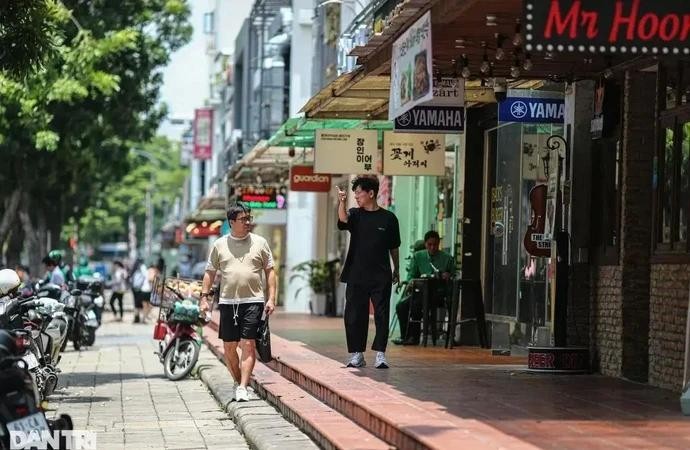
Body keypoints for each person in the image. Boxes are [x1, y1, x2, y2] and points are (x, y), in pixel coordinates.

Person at [200, 203, 276, 402]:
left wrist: (272, 298)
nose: (248, 222)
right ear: (231, 222)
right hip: (227, 302)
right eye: (243, 219)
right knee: (229, 348)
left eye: (248, 218)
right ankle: (237, 381)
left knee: (248, 343)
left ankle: (243, 386)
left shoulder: (260, 242)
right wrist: (204, 298)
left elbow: (270, 271)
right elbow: (210, 273)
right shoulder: (219, 245)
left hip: (254, 301)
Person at [337, 176, 400, 369]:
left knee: (381, 314)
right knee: (355, 315)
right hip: (356, 274)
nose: (355, 196)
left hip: (381, 275)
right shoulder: (355, 214)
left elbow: (394, 247)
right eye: (354, 193)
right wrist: (341, 201)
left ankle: (380, 354)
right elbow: (343, 220)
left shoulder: (389, 218)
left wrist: (396, 268)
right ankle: (357, 354)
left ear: (371, 193)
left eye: (358, 193)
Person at [393, 230, 455, 346]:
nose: (432, 248)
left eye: (435, 245)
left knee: (417, 305)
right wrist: (412, 282)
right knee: (401, 306)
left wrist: (448, 276)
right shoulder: (418, 256)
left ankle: (448, 336)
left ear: (438, 244)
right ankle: (407, 336)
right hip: (420, 293)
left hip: (439, 294)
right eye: (429, 245)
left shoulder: (447, 258)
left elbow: (454, 276)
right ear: (425, 244)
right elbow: (411, 276)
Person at [130, 259, 151, 323]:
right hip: (140, 288)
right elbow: (146, 276)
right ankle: (140, 318)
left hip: (134, 288)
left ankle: (136, 317)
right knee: (141, 304)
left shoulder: (134, 268)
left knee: (136, 303)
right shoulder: (142, 267)